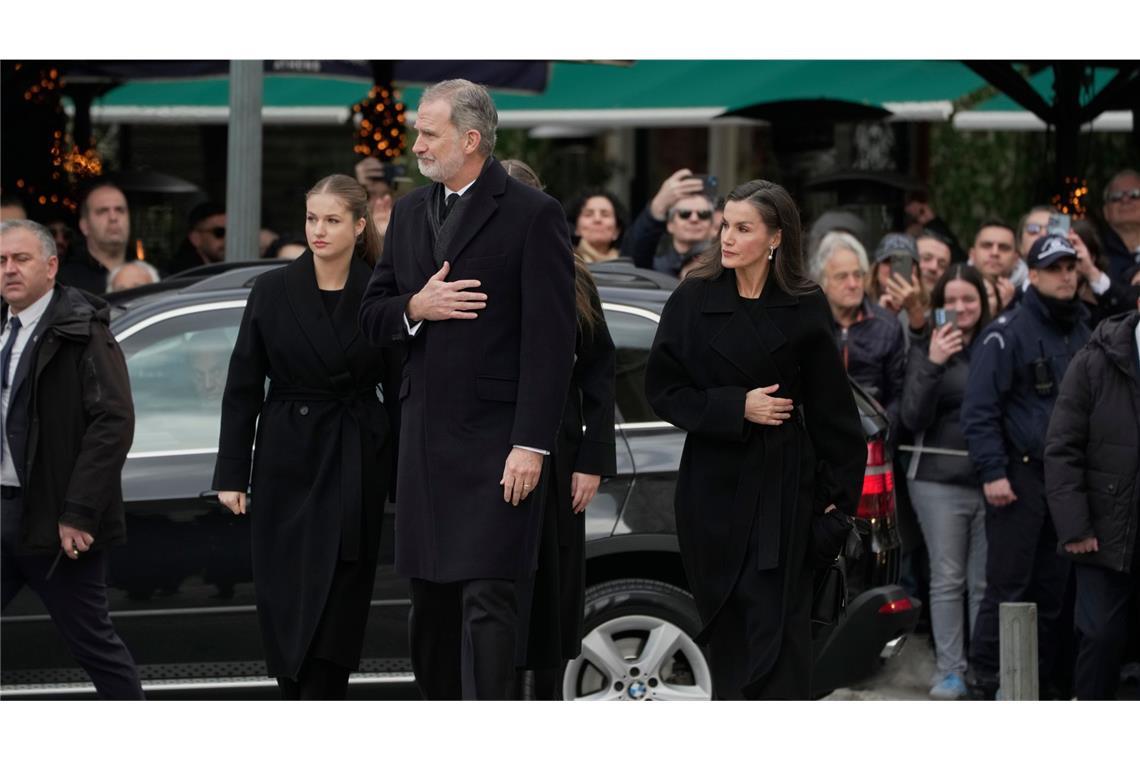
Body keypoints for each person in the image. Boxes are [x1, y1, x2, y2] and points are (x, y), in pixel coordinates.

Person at [358, 79, 576, 700]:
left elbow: (552, 343)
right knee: (429, 606)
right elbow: (372, 317)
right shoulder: (405, 212)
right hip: (424, 443)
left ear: (471, 138)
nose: (416, 143)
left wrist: (531, 444)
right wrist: (417, 305)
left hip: (498, 447)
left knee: (488, 602)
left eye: (429, 132)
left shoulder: (536, 215)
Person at [645, 179, 866, 699]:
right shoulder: (692, 299)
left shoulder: (805, 304)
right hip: (712, 495)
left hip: (786, 497)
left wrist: (836, 511)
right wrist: (735, 406)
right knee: (729, 642)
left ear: (774, 239)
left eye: (743, 228)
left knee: (783, 647)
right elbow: (663, 390)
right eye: (726, 225)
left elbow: (837, 417)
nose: (726, 237)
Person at [213, 174, 394, 700]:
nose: (319, 230)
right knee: (287, 599)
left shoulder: (380, 293)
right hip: (285, 462)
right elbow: (242, 384)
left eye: (333, 219)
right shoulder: (272, 290)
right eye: (312, 218)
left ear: (360, 226)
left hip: (354, 457)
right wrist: (231, 473)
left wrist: (406, 474)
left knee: (338, 602)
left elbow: (402, 385)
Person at [1, 219, 143, 699]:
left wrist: (79, 511)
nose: (9, 270)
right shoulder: (6, 329)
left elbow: (113, 422)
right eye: (1, 261)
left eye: (21, 259)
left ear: (51, 266)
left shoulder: (81, 329)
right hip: (4, 511)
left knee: (93, 644)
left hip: (56, 521)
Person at [502, 159, 617, 700]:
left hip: (559, 456)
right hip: (488, 452)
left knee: (549, 599)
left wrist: (593, 458)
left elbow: (600, 368)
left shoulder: (575, 279)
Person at [961, 233, 1092, 699]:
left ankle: (1042, 690)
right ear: (1032, 275)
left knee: (1055, 594)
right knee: (1008, 588)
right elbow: (979, 411)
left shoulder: (1083, 330)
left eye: (1070, 267)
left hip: (1065, 482)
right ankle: (986, 683)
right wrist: (993, 472)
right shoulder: (1007, 332)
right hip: (1017, 478)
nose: (1064, 276)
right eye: (1054, 268)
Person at [901, 265, 992, 700]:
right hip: (937, 479)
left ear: (983, 303)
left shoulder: (997, 342)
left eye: (968, 300)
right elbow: (911, 416)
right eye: (950, 301)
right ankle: (950, 670)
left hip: (991, 479)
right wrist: (934, 363)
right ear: (938, 307)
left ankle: (982, 668)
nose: (959, 309)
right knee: (947, 577)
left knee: (983, 582)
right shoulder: (924, 347)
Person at [1044, 291, 1140, 700]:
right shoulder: (1095, 359)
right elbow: (1062, 449)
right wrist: (1075, 528)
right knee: (1099, 639)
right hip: (1103, 532)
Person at [813, 230, 907, 437]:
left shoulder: (887, 326)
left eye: (858, 275)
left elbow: (897, 395)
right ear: (823, 282)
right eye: (842, 276)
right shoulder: (811, 324)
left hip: (874, 441)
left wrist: (884, 434)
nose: (853, 284)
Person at [623, 169, 716, 276]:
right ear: (670, 224)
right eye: (684, 214)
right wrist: (658, 206)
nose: (694, 219)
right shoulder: (654, 267)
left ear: (712, 225)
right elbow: (631, 258)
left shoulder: (723, 265)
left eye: (703, 214)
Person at [56, 180, 133, 294]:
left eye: (120, 210)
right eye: (102, 211)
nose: (113, 217)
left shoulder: (149, 276)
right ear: (84, 226)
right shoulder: (63, 284)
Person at [869, 232, 929, 338]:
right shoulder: (860, 307)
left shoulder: (932, 311)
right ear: (876, 269)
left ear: (917, 271)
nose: (894, 268)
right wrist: (880, 315)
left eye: (904, 262)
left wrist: (914, 310)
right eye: (888, 260)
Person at [967, 220, 1019, 312]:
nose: (995, 253)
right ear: (972, 255)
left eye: (1004, 248)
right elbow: (943, 325)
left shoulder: (1031, 297)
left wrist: (1011, 308)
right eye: (987, 246)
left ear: (1016, 259)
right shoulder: (950, 287)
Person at [564, 188, 627, 263]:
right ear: (576, 228)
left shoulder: (630, 266)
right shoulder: (564, 262)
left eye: (605, 215)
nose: (597, 219)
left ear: (617, 231)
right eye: (588, 214)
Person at [903, 187, 965, 262]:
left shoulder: (934, 228)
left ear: (917, 203)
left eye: (908, 204)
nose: (906, 209)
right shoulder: (928, 226)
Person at [1100, 169, 1140, 283]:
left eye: (1135, 195)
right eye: (1116, 197)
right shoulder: (1094, 254)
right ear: (1106, 211)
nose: (1125, 200)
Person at [170, 201, 226, 273]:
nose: (226, 239)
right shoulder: (184, 274)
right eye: (219, 232)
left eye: (231, 232)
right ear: (196, 238)